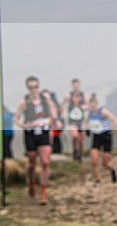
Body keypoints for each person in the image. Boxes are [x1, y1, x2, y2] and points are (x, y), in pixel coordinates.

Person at [15, 76, 59, 204]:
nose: (34, 90)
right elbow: (17, 118)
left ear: (38, 87)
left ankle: (43, 193)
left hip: (44, 132)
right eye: (31, 87)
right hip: (31, 134)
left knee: (45, 162)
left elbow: (54, 114)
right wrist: (24, 125)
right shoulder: (24, 101)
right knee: (32, 163)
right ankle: (31, 182)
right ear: (27, 88)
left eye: (35, 87)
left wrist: (48, 120)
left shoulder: (45, 99)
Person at [85, 94, 117, 184]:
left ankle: (112, 169)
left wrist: (112, 130)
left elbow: (115, 120)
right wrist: (87, 129)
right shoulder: (89, 114)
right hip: (96, 137)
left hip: (106, 136)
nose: (92, 107)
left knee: (105, 163)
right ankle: (98, 180)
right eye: (90, 105)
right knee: (94, 160)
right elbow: (85, 122)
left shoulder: (103, 111)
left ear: (97, 104)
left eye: (94, 105)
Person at [63, 78, 88, 161]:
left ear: (79, 85)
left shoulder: (84, 95)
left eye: (77, 85)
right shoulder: (68, 95)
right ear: (72, 86)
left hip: (81, 119)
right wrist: (63, 113)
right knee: (75, 136)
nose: (76, 87)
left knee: (81, 140)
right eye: (74, 85)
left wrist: (85, 107)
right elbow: (62, 105)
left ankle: (80, 155)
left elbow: (89, 106)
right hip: (72, 119)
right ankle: (74, 150)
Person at [46, 90, 64, 155]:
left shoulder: (54, 105)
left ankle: (56, 150)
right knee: (54, 137)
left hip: (54, 124)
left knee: (54, 137)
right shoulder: (55, 104)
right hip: (52, 123)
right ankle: (56, 150)